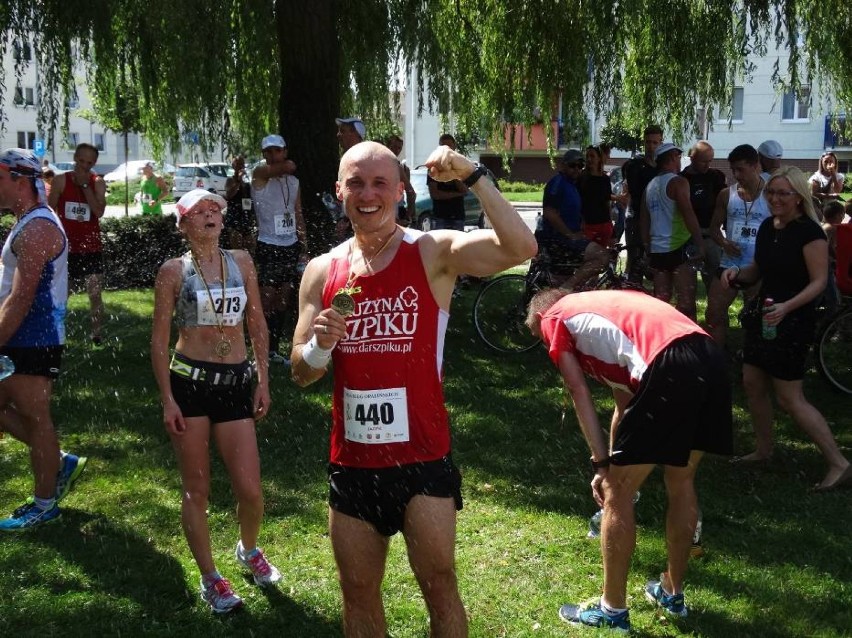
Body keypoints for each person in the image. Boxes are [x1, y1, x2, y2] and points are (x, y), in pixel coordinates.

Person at [290, 141, 537, 637]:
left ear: (401, 191)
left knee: (440, 585)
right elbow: (301, 371)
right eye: (356, 183)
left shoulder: (431, 252)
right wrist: (318, 348)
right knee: (358, 595)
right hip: (353, 463)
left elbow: (520, 248)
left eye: (380, 182)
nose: (368, 194)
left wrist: (473, 174)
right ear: (339, 191)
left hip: (422, 457)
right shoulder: (322, 270)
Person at [525, 288, 732, 633]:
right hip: (709, 356)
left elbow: (577, 391)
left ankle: (613, 611)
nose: (548, 349)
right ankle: (672, 593)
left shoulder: (554, 318)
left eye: (540, 340)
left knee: (618, 495)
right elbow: (625, 406)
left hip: (669, 363)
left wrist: (601, 467)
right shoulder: (609, 320)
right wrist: (608, 463)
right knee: (680, 481)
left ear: (539, 319)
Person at [151, 188, 280, 614]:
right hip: (189, 383)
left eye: (216, 209)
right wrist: (168, 399)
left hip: (236, 383)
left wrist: (263, 378)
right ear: (183, 224)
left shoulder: (242, 261)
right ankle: (211, 578)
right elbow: (159, 340)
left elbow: (257, 321)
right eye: (199, 211)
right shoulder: (173, 271)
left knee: (251, 490)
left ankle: (248, 549)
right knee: (197, 488)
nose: (210, 215)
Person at [720, 167, 851, 490]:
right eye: (772, 192)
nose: (775, 199)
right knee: (751, 381)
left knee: (790, 397)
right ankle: (764, 450)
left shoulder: (809, 233)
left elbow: (819, 282)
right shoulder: (769, 226)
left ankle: (839, 463)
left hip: (793, 319)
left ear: (797, 197)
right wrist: (737, 275)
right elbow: (759, 268)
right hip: (766, 313)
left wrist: (787, 307)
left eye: (783, 193)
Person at [0, 148, 87, 531]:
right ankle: (58, 460)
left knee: (37, 420)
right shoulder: (28, 221)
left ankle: (44, 504)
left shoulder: (37, 227)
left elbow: (22, 297)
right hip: (23, 336)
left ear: (19, 180)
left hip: (32, 338)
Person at [705, 144, 770, 348]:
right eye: (733, 169)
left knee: (754, 317)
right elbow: (714, 228)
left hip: (758, 266)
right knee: (713, 312)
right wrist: (724, 242)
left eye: (740, 169)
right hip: (729, 263)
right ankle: (718, 359)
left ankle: (749, 359)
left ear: (755, 166)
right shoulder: (726, 195)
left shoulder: (771, 195)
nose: (735, 174)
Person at [251, 134, 307, 365]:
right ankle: (258, 350)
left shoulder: (293, 183)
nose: (273, 156)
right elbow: (290, 166)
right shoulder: (259, 174)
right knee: (266, 299)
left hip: (289, 244)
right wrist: (284, 164)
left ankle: (273, 350)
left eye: (277, 151)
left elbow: (298, 214)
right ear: (264, 154)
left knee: (283, 299)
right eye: (269, 151)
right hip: (268, 243)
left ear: (284, 150)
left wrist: (304, 247)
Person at [48, 142, 108, 344]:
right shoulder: (60, 181)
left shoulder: (97, 182)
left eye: (89, 163)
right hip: (68, 248)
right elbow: (49, 212)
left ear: (94, 163)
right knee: (62, 292)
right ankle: (54, 331)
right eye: (81, 161)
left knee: (95, 293)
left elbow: (99, 212)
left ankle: (97, 335)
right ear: (75, 158)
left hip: (91, 247)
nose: (84, 166)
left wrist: (85, 186)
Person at [640, 143, 704, 319]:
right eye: (678, 156)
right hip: (679, 247)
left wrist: (647, 247)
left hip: (657, 251)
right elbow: (688, 213)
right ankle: (690, 342)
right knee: (686, 303)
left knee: (661, 303)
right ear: (673, 157)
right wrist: (700, 243)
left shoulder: (649, 186)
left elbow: (644, 220)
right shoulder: (678, 182)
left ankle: (663, 341)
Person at [539, 149, 609, 289]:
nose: (576, 169)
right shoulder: (558, 183)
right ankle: (567, 287)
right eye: (572, 165)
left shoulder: (572, 184)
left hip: (567, 240)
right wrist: (570, 234)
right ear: (563, 165)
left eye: (580, 165)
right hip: (559, 241)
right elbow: (550, 212)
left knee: (559, 284)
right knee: (602, 256)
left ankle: (565, 289)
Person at [680, 141, 727, 291]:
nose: (707, 165)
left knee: (715, 284)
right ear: (692, 158)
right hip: (687, 238)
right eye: (703, 161)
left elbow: (726, 204)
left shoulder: (716, 177)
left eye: (710, 161)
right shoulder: (681, 179)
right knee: (687, 286)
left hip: (710, 236)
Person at [622, 125, 662, 282]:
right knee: (635, 258)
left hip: (657, 219)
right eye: (648, 142)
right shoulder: (634, 165)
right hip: (637, 216)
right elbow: (635, 193)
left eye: (655, 142)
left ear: (661, 142)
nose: (651, 146)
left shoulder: (662, 166)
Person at [427, 133, 468, 231]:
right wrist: (457, 194)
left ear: (454, 147)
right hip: (440, 216)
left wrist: (453, 172)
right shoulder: (434, 166)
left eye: (449, 146)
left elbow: (464, 189)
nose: (446, 150)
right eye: (443, 146)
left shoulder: (461, 165)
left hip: (458, 216)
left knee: (459, 246)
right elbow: (435, 194)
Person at [579, 145, 614, 247]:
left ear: (599, 158)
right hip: (588, 225)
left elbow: (607, 203)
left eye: (592, 156)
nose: (589, 159)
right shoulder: (582, 178)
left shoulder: (605, 179)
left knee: (602, 255)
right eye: (587, 156)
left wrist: (611, 226)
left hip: (604, 225)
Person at [222, 155, 255, 252]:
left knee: (250, 244)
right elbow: (229, 195)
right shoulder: (230, 180)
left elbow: (249, 199)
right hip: (234, 216)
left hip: (245, 216)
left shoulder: (246, 182)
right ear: (233, 166)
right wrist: (238, 181)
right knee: (236, 245)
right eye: (238, 164)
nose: (240, 167)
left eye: (242, 165)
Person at [385, 133, 416, 226]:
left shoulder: (402, 168)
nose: (396, 150)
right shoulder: (378, 164)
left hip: (398, 208)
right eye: (394, 146)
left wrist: (409, 214)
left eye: (399, 148)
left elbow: (410, 192)